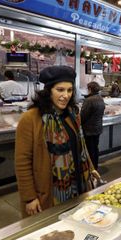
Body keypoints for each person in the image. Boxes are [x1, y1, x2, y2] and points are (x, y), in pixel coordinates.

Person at [15, 65, 100, 217]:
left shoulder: (73, 114)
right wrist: (29, 197)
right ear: (48, 91)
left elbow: (82, 147)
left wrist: (91, 169)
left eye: (69, 90)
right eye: (60, 90)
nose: (66, 95)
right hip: (47, 194)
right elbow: (22, 161)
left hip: (78, 187)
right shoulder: (31, 119)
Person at [80, 81, 105, 170]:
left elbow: (83, 116)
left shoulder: (89, 100)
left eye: (87, 88)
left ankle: (91, 168)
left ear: (90, 89)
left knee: (89, 150)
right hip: (97, 128)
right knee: (95, 148)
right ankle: (95, 166)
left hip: (89, 130)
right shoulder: (100, 98)